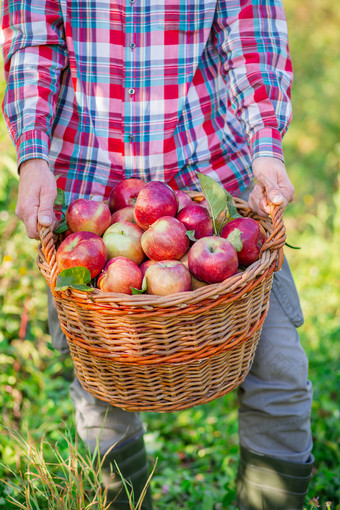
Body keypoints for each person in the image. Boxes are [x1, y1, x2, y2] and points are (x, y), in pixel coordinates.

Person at [1, 1, 314, 508]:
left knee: (278, 367)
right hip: (92, 198)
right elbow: (36, 44)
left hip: (211, 195)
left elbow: (252, 40)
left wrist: (265, 147)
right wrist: (33, 155)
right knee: (103, 386)